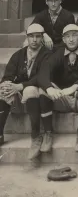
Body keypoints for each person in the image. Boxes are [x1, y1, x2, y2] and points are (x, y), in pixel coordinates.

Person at [37, 24, 78, 153]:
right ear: (63, 39)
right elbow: (43, 72)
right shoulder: (57, 53)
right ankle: (48, 132)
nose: (71, 39)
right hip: (61, 96)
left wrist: (75, 87)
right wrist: (49, 88)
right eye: (67, 36)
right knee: (42, 90)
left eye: (74, 35)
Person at [0, 24, 50, 160]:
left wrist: (20, 86)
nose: (34, 40)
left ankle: (36, 135)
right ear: (27, 37)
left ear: (42, 38)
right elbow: (7, 76)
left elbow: (42, 78)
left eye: (38, 37)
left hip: (38, 93)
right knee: (4, 88)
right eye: (31, 36)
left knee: (29, 90)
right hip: (20, 93)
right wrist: (7, 85)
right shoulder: (19, 54)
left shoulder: (47, 54)